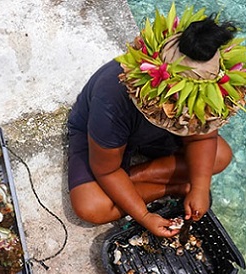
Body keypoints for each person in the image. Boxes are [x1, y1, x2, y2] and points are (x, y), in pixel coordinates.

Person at [67, 4, 246, 237]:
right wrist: (144, 215)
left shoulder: (200, 94)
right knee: (90, 206)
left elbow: (203, 138)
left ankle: (134, 180)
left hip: (157, 134)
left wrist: (200, 189)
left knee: (221, 157)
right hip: (102, 139)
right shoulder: (110, 98)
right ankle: (172, 186)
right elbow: (107, 171)